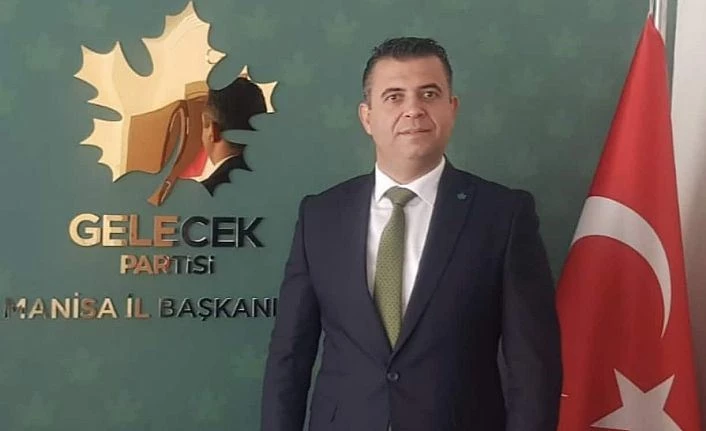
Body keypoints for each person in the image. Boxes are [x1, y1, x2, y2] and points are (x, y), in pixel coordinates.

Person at [261, 37, 561, 431]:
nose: (413, 109)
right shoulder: (321, 215)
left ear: (452, 108)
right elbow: (289, 356)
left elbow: (534, 368)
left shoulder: (504, 215)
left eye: (429, 94)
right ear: (367, 117)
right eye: (394, 96)